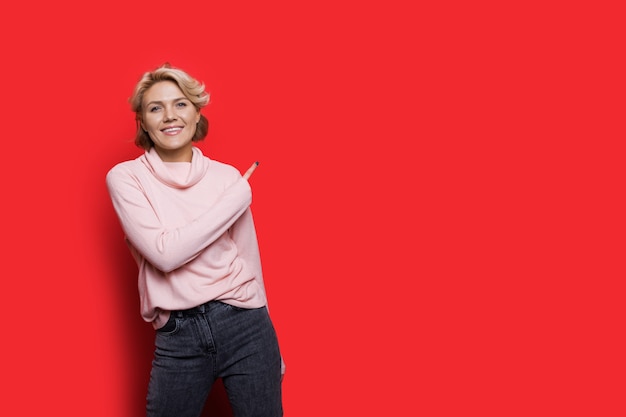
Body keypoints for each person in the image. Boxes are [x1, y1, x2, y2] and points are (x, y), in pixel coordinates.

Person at [106, 63, 284, 417]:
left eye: (181, 104)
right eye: (156, 107)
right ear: (142, 120)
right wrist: (235, 200)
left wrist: (272, 345)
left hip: (246, 323)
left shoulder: (225, 177)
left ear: (196, 111)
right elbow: (166, 254)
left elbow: (247, 256)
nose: (170, 116)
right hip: (179, 333)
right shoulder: (127, 178)